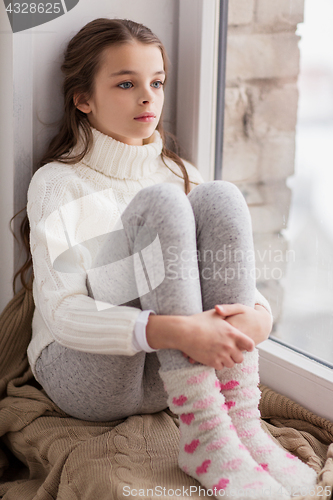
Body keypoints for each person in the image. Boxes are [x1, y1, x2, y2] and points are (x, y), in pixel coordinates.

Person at [19, 18, 316, 499]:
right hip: (87, 377)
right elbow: (62, 313)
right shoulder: (58, 182)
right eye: (126, 83)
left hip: (170, 378)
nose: (148, 98)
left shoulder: (181, 172)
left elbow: (235, 282)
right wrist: (174, 330)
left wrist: (257, 320)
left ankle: (238, 422)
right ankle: (204, 431)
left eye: (156, 83)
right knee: (162, 205)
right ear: (83, 99)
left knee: (219, 196)